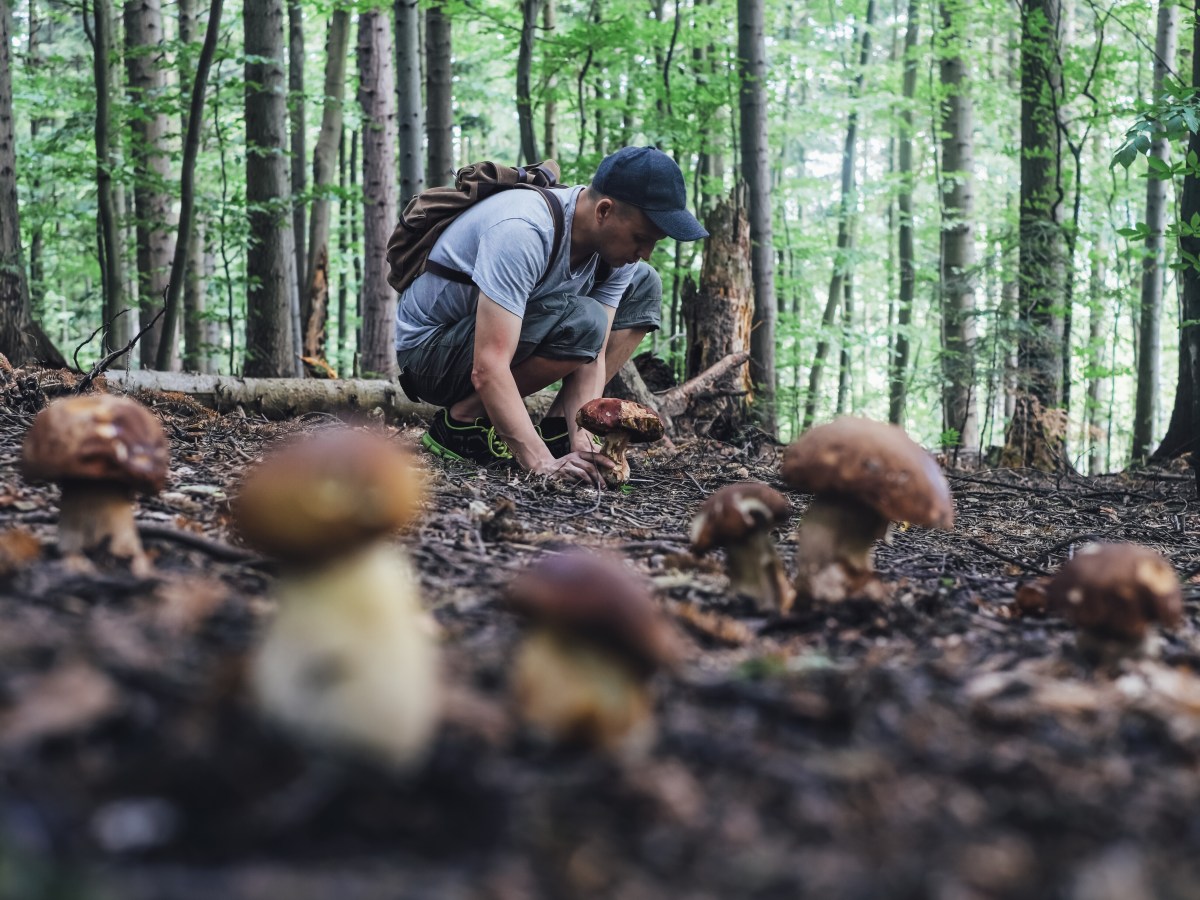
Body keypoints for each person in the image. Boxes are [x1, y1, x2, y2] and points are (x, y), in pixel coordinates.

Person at [393, 146, 708, 487]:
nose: (645, 252)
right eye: (641, 238)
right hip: (430, 355)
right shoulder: (523, 230)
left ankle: (559, 428)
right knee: (584, 318)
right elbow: (488, 367)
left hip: (486, 345)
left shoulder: (611, 249)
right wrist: (540, 461)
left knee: (644, 281)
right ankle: (462, 423)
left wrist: (583, 439)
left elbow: (594, 355)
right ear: (604, 211)